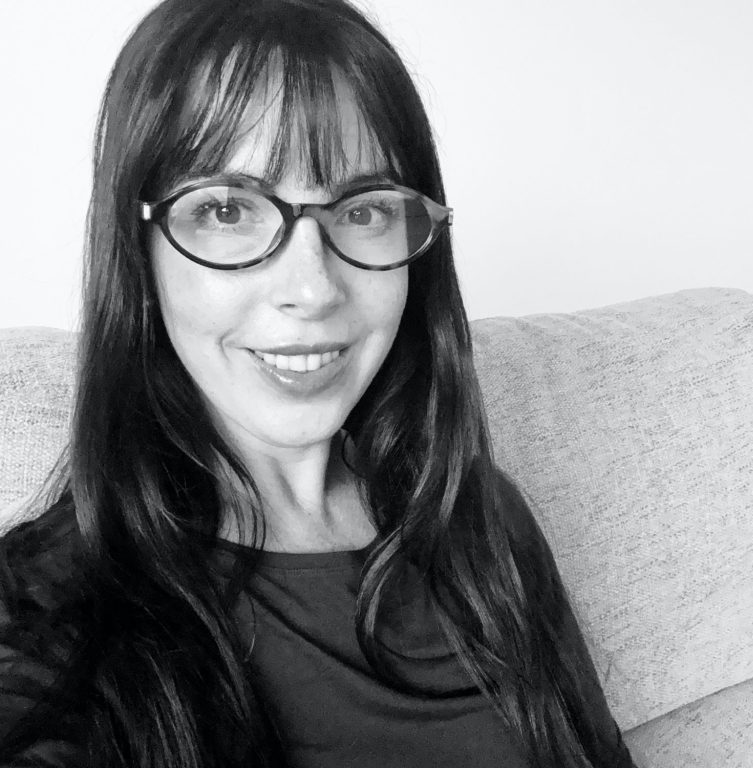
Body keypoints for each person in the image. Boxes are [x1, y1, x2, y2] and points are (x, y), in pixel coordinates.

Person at [0, 0, 639, 766]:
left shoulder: (477, 516)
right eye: (228, 210)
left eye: (363, 211)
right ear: (139, 253)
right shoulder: (42, 615)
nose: (313, 289)